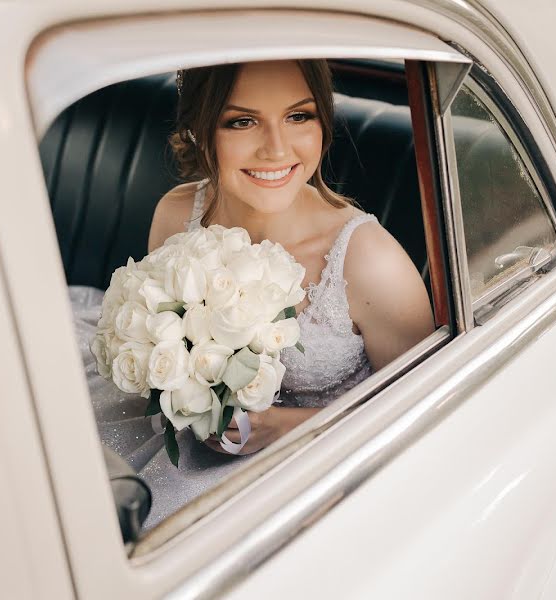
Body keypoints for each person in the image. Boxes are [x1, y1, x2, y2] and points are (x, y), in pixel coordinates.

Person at [147, 59, 434, 456]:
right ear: (198, 128)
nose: (277, 149)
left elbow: (428, 416)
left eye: (299, 116)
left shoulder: (371, 263)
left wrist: (291, 427)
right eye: (243, 121)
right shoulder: (176, 216)